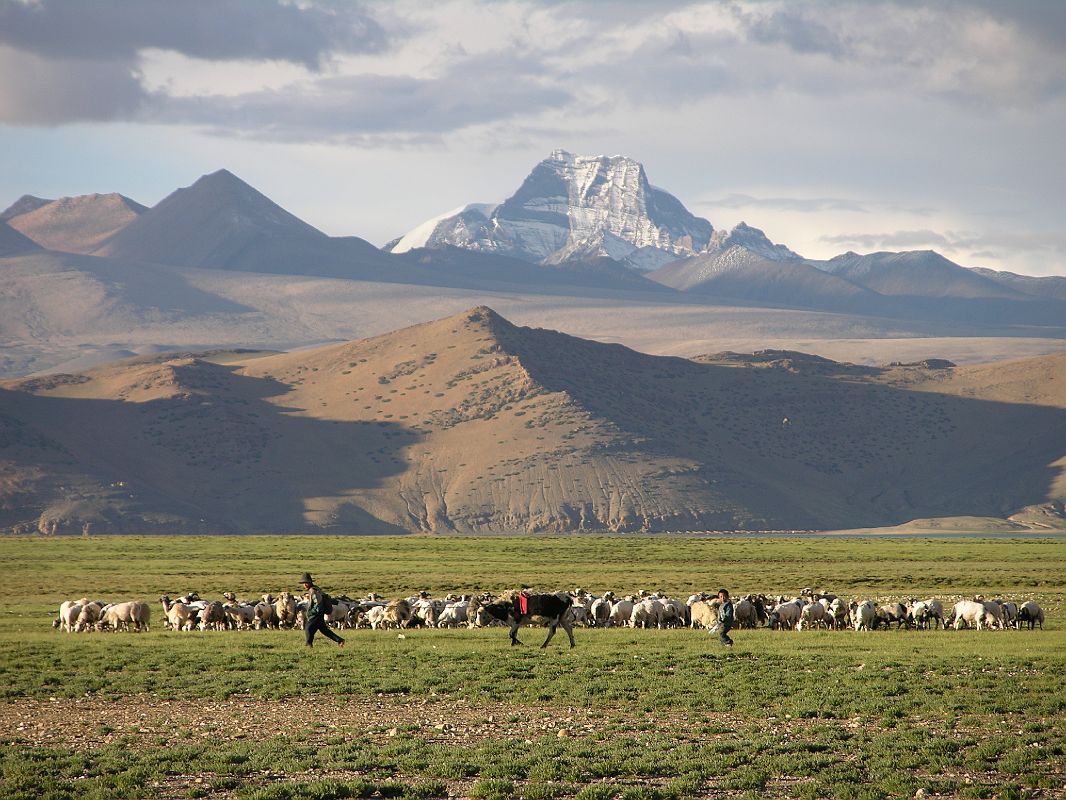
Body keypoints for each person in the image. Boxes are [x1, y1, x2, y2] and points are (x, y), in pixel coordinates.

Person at [300, 572, 345, 649]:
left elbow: (318, 602)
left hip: (316, 614)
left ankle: (308, 644)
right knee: (324, 630)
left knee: (308, 627)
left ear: (310, 582)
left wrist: (314, 611)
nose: (305, 585)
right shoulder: (316, 589)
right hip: (320, 613)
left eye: (306, 583)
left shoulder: (313, 591)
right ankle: (340, 640)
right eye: (303, 583)